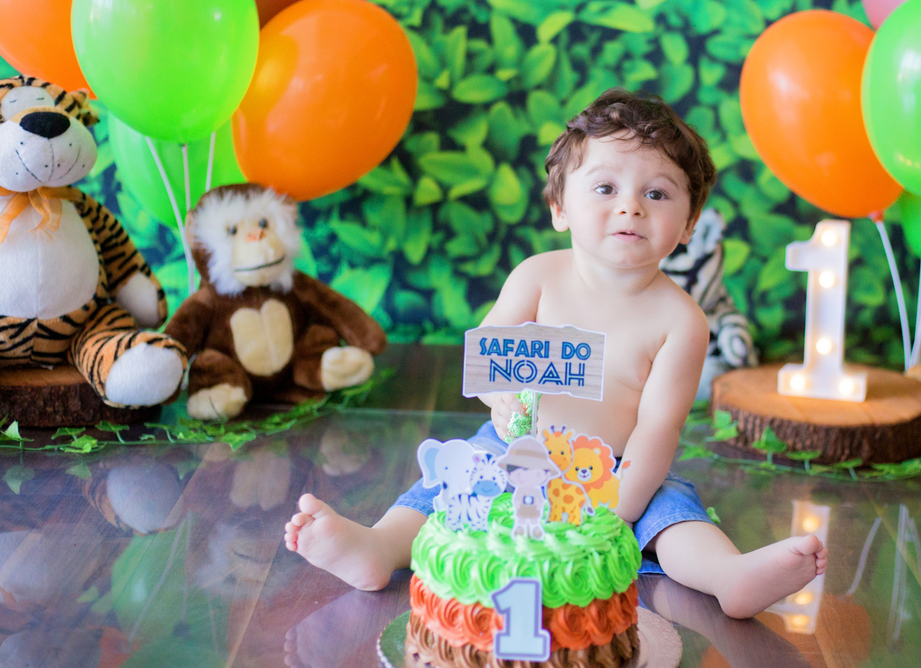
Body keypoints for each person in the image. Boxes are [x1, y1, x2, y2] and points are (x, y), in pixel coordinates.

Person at [283, 89, 827, 619]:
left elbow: (657, 430)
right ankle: (380, 546)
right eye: (606, 187)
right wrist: (503, 403)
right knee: (449, 482)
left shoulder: (681, 321)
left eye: (657, 194)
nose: (631, 207)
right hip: (515, 442)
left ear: (688, 225)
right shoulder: (538, 278)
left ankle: (727, 576)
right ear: (560, 206)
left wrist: (618, 511)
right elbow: (491, 357)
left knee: (673, 515)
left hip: (616, 466)